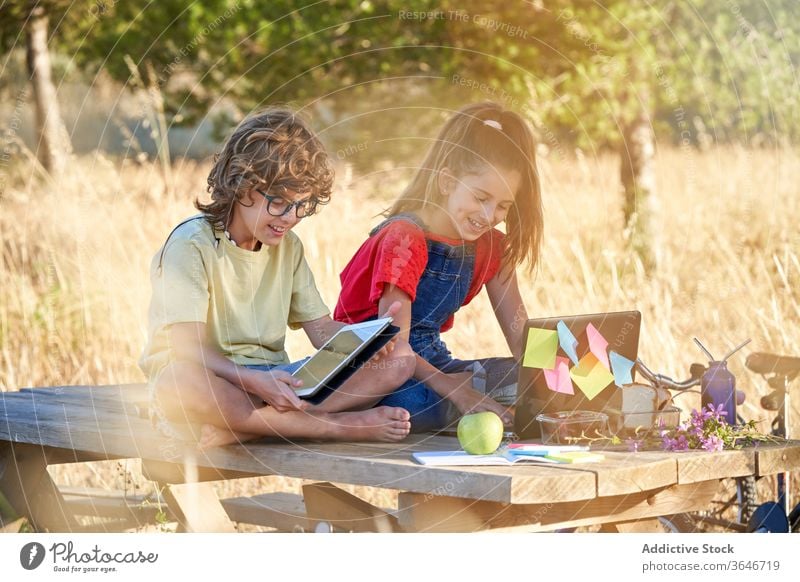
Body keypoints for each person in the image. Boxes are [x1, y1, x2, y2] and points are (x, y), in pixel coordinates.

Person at [139, 107, 414, 448]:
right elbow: (188, 348)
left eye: (302, 206)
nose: (290, 218)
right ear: (241, 185)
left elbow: (322, 333)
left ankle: (249, 428)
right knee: (179, 381)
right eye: (279, 202)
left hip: (274, 384)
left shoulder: (288, 248)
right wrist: (254, 382)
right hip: (214, 381)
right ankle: (334, 426)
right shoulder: (190, 244)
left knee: (401, 359)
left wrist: (369, 339)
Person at [335, 102, 543, 432]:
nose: (489, 216)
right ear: (447, 182)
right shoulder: (404, 239)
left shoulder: (492, 248)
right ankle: (454, 410)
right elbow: (395, 349)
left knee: (532, 382)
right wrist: (456, 391)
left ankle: (465, 410)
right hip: (371, 369)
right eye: (480, 197)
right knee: (414, 403)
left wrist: (561, 375)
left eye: (503, 206)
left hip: (434, 365)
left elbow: (523, 342)